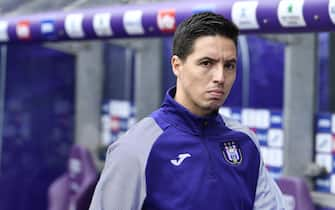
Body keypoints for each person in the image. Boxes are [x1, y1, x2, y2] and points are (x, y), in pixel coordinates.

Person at [89, 12, 286, 210]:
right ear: (177, 65)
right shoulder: (136, 148)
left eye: (229, 65)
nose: (220, 77)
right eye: (206, 63)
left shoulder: (245, 141)